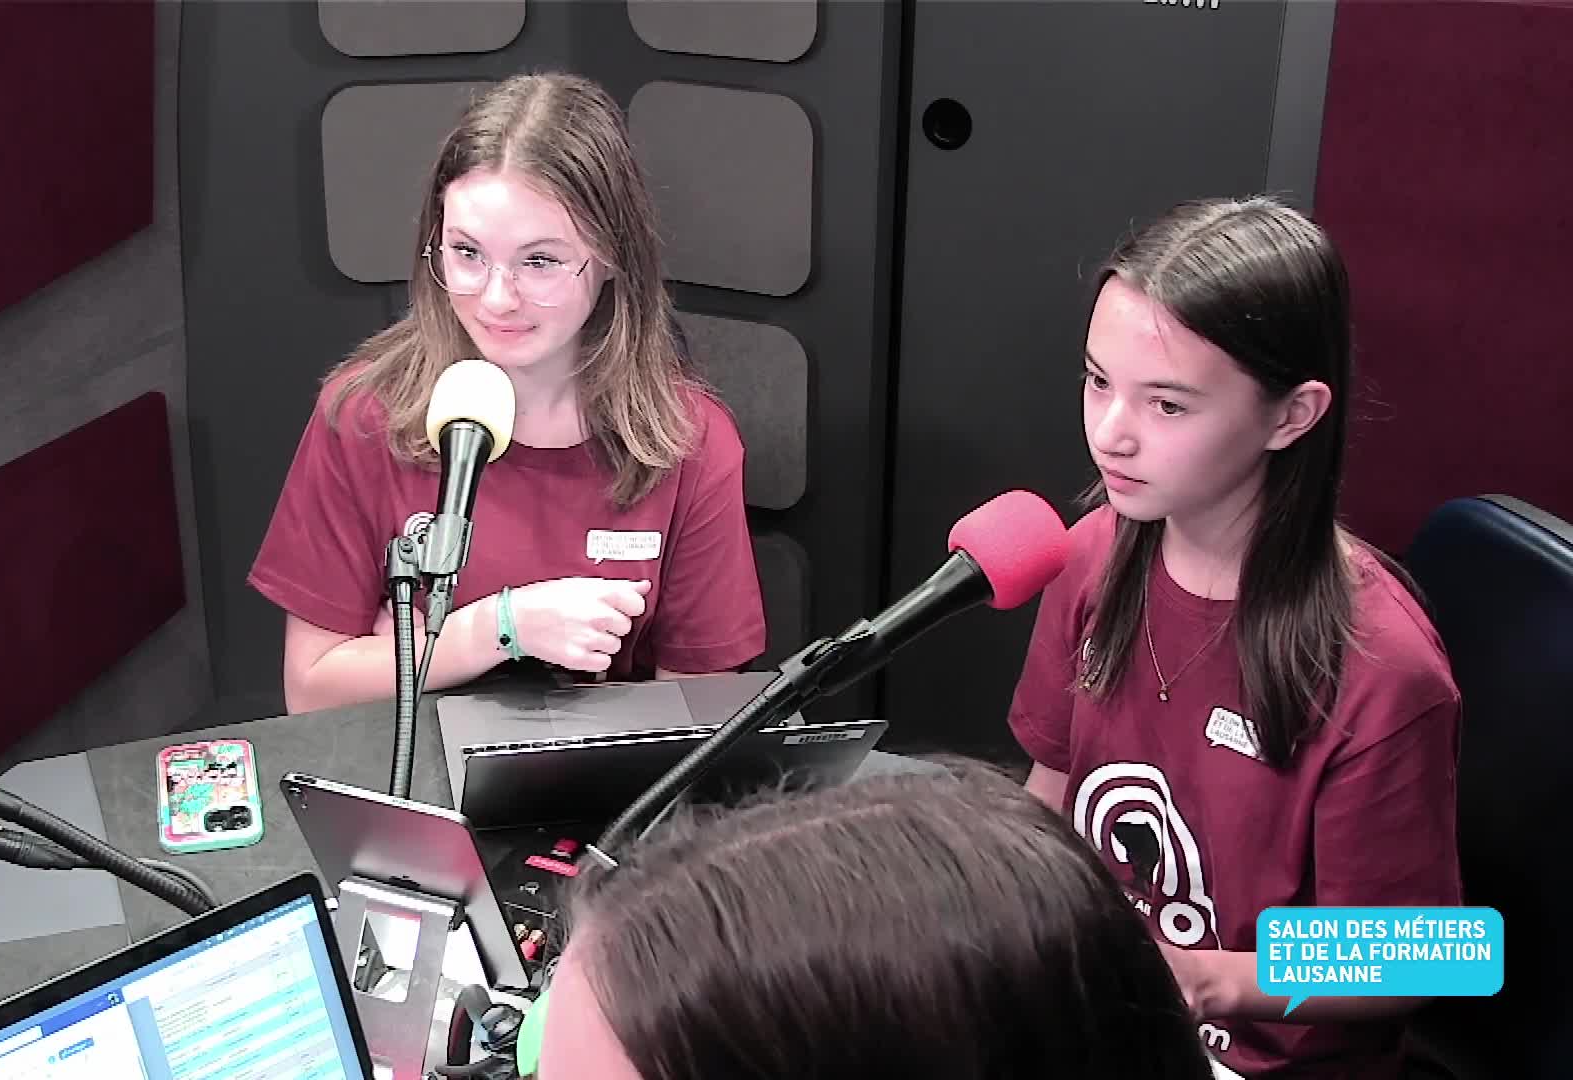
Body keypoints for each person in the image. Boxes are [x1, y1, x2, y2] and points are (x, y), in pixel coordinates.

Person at [1007, 196, 1461, 1078]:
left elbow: (1425, 957)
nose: (1110, 434)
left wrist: (1202, 979)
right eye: (1098, 382)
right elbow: (1051, 789)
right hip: (1102, 1012)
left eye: (1168, 406)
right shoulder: (1091, 555)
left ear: (1292, 416)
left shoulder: (1386, 670)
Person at [249, 73, 766, 714]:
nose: (496, 299)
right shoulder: (363, 415)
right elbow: (311, 690)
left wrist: (407, 655)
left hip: (606, 775)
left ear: (612, 257)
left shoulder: (693, 441)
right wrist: (499, 628)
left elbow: (699, 714)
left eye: (539, 261)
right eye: (467, 253)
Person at [532, 762, 1220, 1079]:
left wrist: (1218, 978)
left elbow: (1306, 932)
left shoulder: (1300, 647)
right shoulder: (1098, 577)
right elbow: (1035, 812)